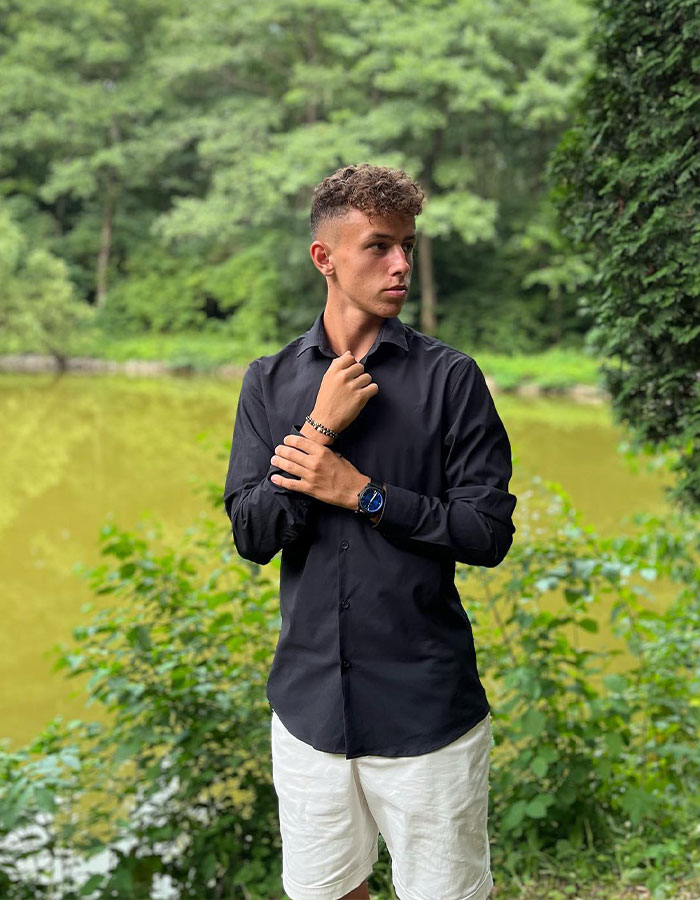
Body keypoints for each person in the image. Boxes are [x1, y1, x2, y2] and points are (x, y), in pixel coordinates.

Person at [223, 164, 517, 900]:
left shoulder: (451, 381)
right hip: (308, 711)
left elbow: (487, 534)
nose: (400, 265)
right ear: (326, 258)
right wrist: (320, 425)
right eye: (379, 246)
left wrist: (365, 495)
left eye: (407, 246)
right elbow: (253, 534)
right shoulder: (269, 383)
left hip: (427, 718)